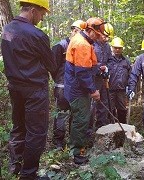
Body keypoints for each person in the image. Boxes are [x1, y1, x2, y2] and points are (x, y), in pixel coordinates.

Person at [1, 0, 56, 178]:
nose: (41, 18)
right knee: (36, 132)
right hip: (35, 90)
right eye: (41, 14)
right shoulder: (37, 35)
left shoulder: (7, 29)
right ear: (33, 10)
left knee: (18, 127)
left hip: (14, 88)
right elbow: (51, 65)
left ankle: (14, 167)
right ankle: (29, 174)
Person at [64, 17, 105, 164]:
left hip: (76, 88)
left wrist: (97, 69)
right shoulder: (82, 45)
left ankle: (77, 148)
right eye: (98, 34)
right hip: (78, 90)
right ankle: (77, 153)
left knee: (80, 119)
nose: (99, 37)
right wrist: (93, 90)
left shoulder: (84, 41)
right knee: (81, 120)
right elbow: (81, 73)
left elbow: (86, 66)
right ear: (91, 31)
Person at [51, 20, 84, 150]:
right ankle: (58, 141)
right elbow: (53, 67)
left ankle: (73, 140)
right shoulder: (61, 46)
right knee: (61, 114)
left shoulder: (81, 47)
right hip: (62, 87)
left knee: (75, 114)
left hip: (76, 88)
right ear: (75, 31)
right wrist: (60, 81)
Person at [90, 22, 115, 129]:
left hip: (103, 79)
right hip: (92, 80)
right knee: (91, 106)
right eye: (105, 36)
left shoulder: (107, 47)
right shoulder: (91, 45)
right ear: (99, 33)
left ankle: (101, 127)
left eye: (108, 37)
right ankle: (88, 130)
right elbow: (89, 62)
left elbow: (110, 60)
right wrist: (99, 68)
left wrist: (107, 68)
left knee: (103, 103)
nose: (106, 39)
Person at [107, 37, 131, 123]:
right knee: (110, 110)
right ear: (112, 48)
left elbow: (130, 75)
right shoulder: (108, 60)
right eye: (115, 47)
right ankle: (111, 129)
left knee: (122, 110)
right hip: (110, 90)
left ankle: (123, 128)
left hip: (122, 90)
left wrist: (130, 87)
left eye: (119, 48)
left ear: (122, 49)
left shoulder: (126, 61)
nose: (117, 50)